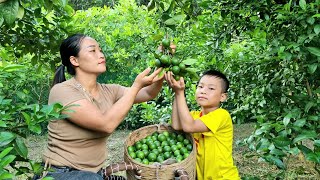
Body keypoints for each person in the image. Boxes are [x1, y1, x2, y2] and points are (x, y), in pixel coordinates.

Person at [36, 34, 164, 180]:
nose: (101, 55)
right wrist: (136, 86)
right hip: (60, 173)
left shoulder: (109, 90)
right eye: (93, 51)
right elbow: (105, 124)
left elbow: (148, 93)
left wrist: (162, 63)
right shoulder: (61, 91)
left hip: (92, 175)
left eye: (100, 50)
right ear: (74, 60)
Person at [165, 70, 240, 180]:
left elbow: (189, 126)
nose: (203, 91)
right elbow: (176, 125)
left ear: (222, 97)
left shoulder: (222, 115)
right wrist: (177, 92)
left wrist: (180, 93)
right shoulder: (194, 116)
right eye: (200, 87)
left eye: (211, 88)